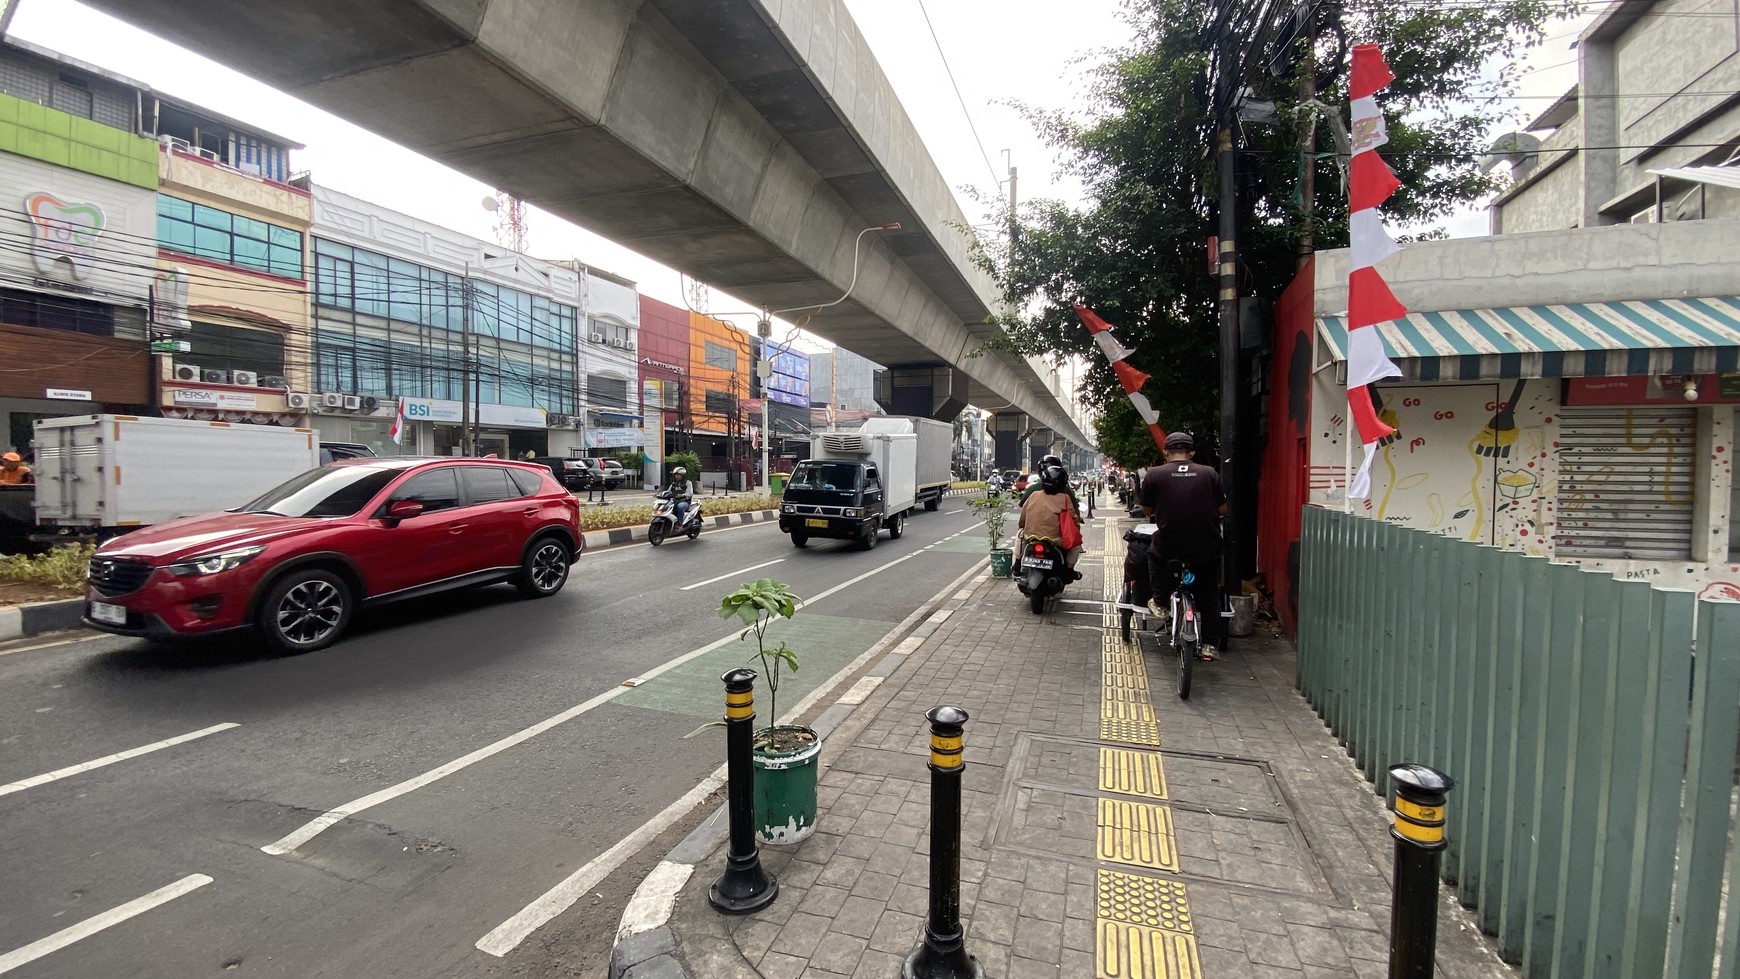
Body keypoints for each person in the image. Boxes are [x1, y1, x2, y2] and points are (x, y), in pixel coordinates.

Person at [1139, 432, 1226, 660]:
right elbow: (1223, 509)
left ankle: (1160, 603)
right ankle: (1210, 645)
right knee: (1208, 593)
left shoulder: (1155, 474)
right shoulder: (1209, 473)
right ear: (1192, 453)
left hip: (1170, 544)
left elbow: (1147, 510)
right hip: (1207, 545)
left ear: (1165, 452)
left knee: (1154, 554)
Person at [1017, 464, 1082, 580]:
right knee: (1076, 546)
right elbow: (1073, 518)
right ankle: (1068, 570)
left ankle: (1017, 564)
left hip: (1030, 537)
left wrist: (1022, 527)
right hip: (1055, 540)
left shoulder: (1033, 494)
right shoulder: (1065, 498)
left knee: (1019, 536)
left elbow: (1023, 516)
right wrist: (1077, 529)